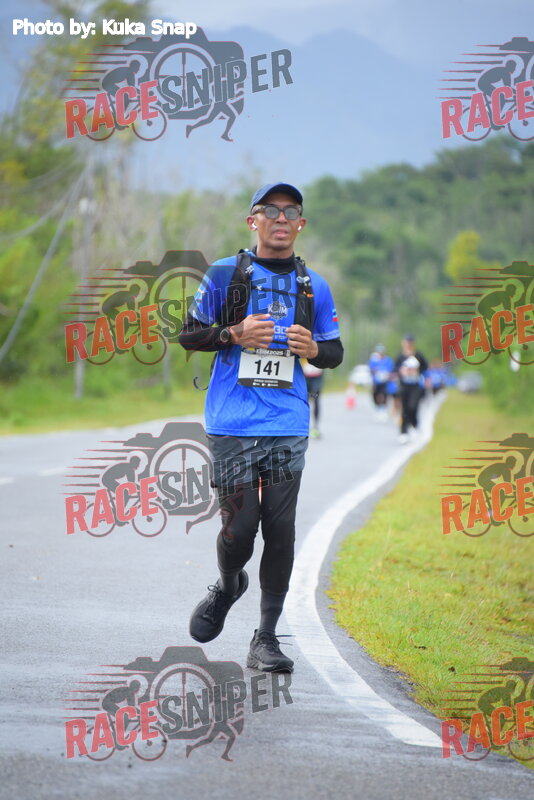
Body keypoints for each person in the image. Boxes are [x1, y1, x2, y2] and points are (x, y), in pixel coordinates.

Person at [179, 182, 343, 672]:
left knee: (280, 528)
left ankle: (266, 638)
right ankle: (229, 586)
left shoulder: (314, 287)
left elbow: (334, 352)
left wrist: (313, 349)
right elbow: (188, 335)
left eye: (290, 211)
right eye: (270, 209)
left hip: (287, 423)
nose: (280, 218)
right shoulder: (225, 274)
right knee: (239, 529)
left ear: (301, 224)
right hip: (231, 422)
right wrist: (233, 333)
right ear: (253, 221)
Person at [394, 335, 428, 444]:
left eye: (410, 342)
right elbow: (395, 368)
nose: (408, 344)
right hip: (404, 385)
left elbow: (425, 367)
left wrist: (418, 372)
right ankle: (403, 432)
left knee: (413, 406)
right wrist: (401, 371)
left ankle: (414, 425)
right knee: (404, 409)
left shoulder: (418, 355)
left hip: (415, 385)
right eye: (406, 342)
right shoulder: (400, 356)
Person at [368, 344, 393, 420]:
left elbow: (391, 370)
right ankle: (377, 408)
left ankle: (383, 409)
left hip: (385, 381)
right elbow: (370, 369)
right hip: (376, 381)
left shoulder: (388, 360)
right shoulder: (374, 360)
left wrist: (386, 374)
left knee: (384, 395)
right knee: (375, 395)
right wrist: (375, 372)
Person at [302, 360, 324, 438]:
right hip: (305, 376)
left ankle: (316, 427)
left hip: (317, 376)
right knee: (304, 402)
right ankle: (303, 427)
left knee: (315, 400)